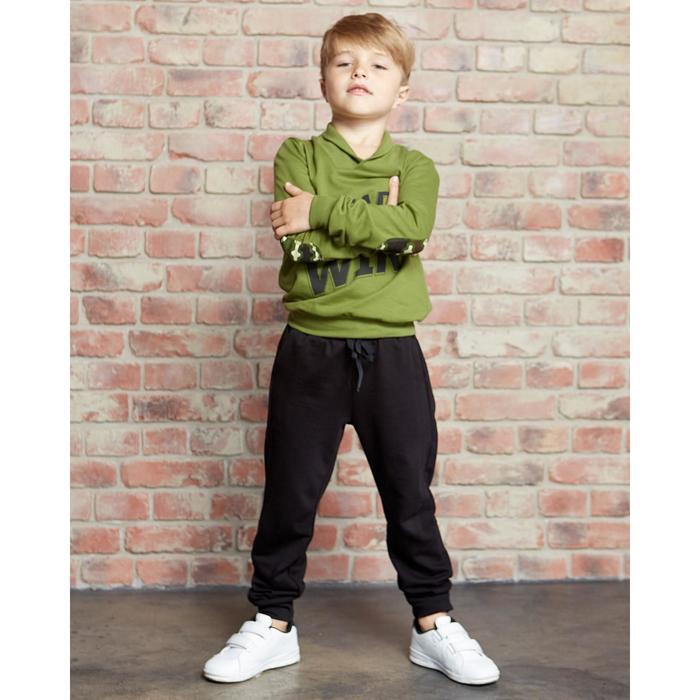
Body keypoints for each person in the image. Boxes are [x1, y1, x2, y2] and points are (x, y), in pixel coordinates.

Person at [202, 12, 500, 687]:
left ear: (402, 90)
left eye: (377, 65)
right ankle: (273, 622)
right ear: (323, 81)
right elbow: (302, 250)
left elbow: (410, 232)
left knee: (410, 493)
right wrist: (375, 226)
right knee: (290, 491)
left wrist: (324, 210)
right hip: (311, 349)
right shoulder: (297, 157)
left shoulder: (414, 168)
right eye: (344, 63)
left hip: (393, 353)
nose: (359, 73)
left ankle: (433, 623)